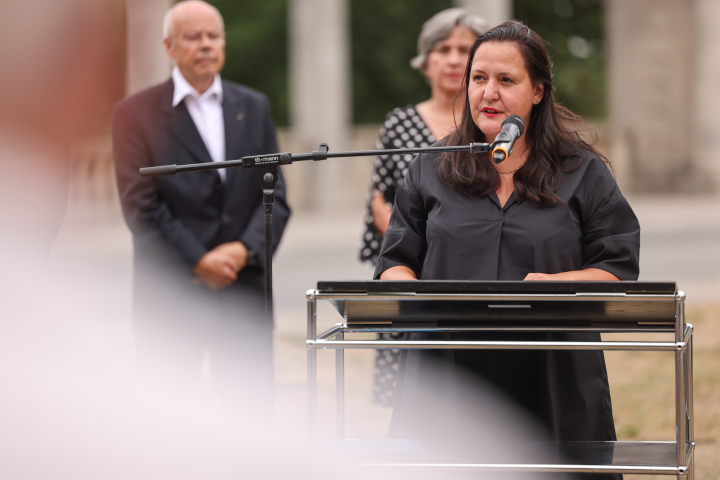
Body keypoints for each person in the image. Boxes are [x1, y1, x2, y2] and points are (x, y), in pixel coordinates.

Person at [376, 21, 639, 479]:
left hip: (554, 378)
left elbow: (618, 266)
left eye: (506, 80)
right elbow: (395, 262)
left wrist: (557, 285)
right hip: (448, 377)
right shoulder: (430, 166)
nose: (488, 93)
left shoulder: (583, 170)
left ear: (538, 91)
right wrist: (415, 299)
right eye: (479, 79)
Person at [112, 1, 290, 405]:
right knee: (167, 422)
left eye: (213, 36)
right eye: (194, 37)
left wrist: (243, 250)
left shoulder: (254, 107)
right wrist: (199, 260)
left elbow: (276, 196)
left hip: (244, 290)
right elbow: (139, 205)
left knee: (251, 421)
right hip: (172, 294)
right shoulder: (133, 114)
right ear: (169, 46)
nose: (206, 45)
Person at [359, 8, 486, 407]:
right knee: (415, 414)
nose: (452, 59)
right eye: (442, 49)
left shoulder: (493, 126)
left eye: (464, 49)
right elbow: (380, 212)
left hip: (480, 280)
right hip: (413, 280)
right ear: (425, 61)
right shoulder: (399, 124)